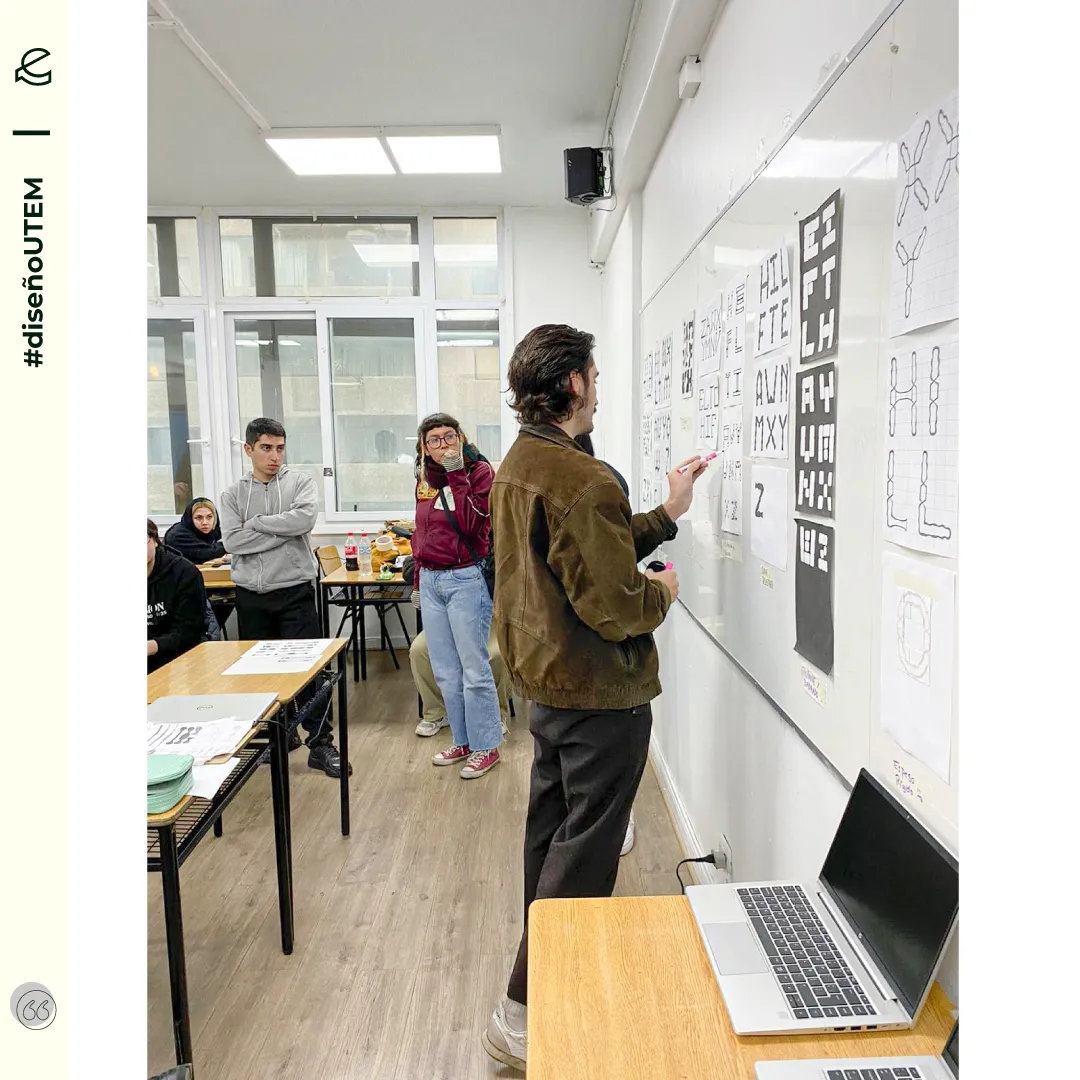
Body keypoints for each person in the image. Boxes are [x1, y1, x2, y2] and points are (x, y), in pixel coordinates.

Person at [482, 324, 707, 1070]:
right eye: (596, 376)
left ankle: (544, 985)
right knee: (584, 854)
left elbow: (587, 550)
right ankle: (524, 1009)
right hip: (599, 696)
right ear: (574, 383)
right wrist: (663, 591)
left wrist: (668, 513)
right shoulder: (583, 477)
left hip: (549, 688)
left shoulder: (521, 463)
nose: (600, 389)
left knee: (551, 838)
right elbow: (615, 603)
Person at [219, 418, 348, 778]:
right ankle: (280, 736)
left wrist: (257, 522)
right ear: (249, 449)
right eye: (266, 448)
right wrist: (282, 528)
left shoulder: (299, 483)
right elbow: (232, 541)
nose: (275, 456)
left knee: (310, 671)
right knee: (260, 674)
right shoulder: (232, 495)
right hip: (252, 595)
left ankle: (320, 744)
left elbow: (303, 521)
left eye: (280, 448)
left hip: (295, 591)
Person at [411, 412, 502, 779]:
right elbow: (421, 532)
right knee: (446, 671)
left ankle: (487, 746)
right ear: (424, 448)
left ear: (461, 438)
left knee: (474, 669)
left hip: (465, 579)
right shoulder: (423, 479)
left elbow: (472, 522)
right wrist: (417, 582)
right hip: (431, 580)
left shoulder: (479, 473)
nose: (443, 444)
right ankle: (463, 740)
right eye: (434, 440)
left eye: (450, 436)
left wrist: (455, 472)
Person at [409, 628, 512, 737]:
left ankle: (494, 715)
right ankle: (437, 713)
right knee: (418, 650)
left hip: (488, 625)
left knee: (497, 654)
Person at [147, 518, 209, 674]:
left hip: (178, 658)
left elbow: (189, 632)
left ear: (155, 541)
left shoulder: (184, 572)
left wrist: (151, 646)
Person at [164, 497, 228, 565]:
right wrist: (229, 544)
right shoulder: (178, 535)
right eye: (199, 517)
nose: (205, 522)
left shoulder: (210, 531)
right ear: (190, 519)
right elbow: (206, 553)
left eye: (209, 517)